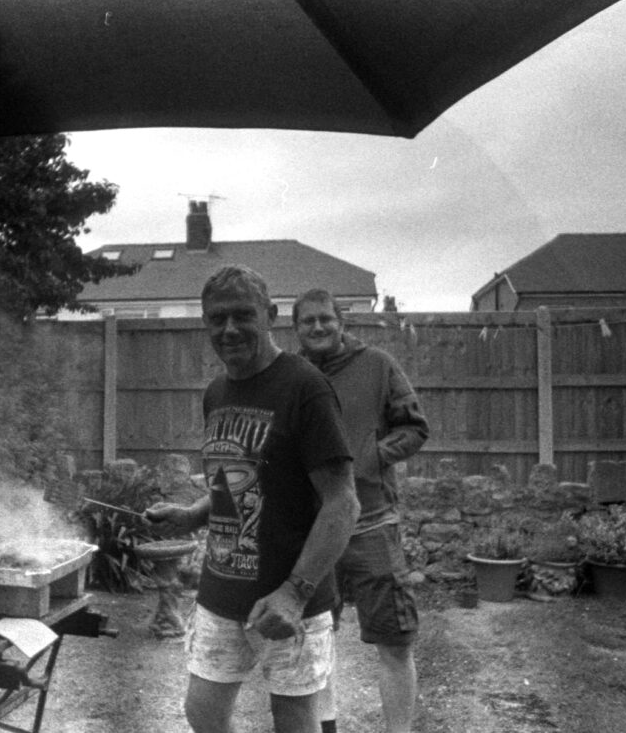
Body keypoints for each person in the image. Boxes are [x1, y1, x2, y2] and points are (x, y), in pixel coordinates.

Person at [144, 265, 360, 733]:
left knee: (296, 721)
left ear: (271, 315)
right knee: (202, 713)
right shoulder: (217, 392)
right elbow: (237, 485)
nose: (229, 329)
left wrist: (293, 593)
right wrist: (190, 516)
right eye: (216, 319)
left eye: (242, 315)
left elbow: (343, 504)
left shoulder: (306, 389)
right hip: (221, 591)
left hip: (291, 600)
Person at [292, 288, 430, 733]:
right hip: (314, 531)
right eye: (308, 321)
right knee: (313, 641)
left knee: (395, 640)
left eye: (325, 319)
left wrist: (369, 457)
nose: (318, 327)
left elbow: (414, 428)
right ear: (295, 328)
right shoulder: (289, 377)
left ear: (341, 322)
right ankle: (325, 725)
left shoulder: (378, 365)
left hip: (372, 522)